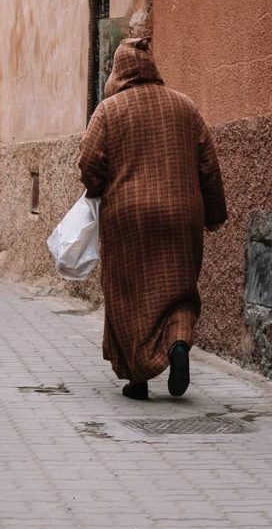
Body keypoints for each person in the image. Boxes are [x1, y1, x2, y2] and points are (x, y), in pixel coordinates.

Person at [79, 37, 227, 400]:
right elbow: (209, 165)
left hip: (129, 220)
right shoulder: (185, 106)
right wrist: (213, 213)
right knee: (178, 292)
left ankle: (137, 379)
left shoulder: (109, 110)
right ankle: (177, 343)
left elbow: (89, 163)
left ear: (118, 71)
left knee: (128, 294)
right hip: (182, 216)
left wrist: (96, 190)